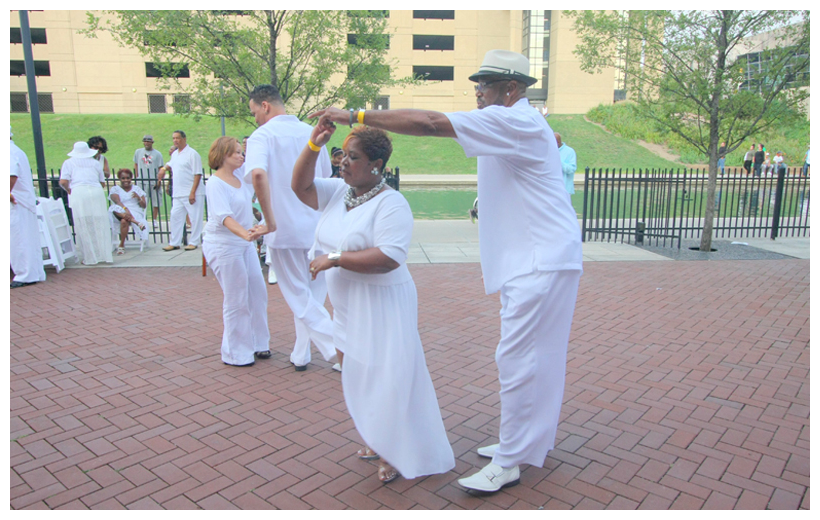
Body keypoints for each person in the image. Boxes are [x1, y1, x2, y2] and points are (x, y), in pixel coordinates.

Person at [309, 49, 583, 493]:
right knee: (537, 358)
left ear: (512, 89)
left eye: (486, 84)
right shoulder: (521, 123)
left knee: (520, 360)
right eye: (478, 83)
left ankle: (511, 460)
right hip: (540, 258)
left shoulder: (514, 120)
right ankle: (525, 444)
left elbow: (431, 123)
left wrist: (355, 115)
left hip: (539, 261)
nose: (478, 91)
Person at [291, 122, 455, 483]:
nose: (343, 162)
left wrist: (334, 258)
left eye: (353, 157)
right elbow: (300, 187)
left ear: (376, 165)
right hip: (348, 304)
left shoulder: (392, 204)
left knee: (386, 375)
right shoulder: (340, 192)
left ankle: (393, 450)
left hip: (382, 302)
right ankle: (375, 435)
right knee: (356, 371)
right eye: (342, 155)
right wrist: (314, 145)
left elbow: (389, 258)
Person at [244, 84, 336, 371]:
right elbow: (324, 178)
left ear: (265, 105)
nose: (255, 118)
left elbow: (258, 174)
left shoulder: (262, 136)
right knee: (311, 298)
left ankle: (343, 350)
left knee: (300, 298)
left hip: (284, 230)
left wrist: (269, 221)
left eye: (254, 112)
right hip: (317, 227)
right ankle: (301, 353)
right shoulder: (310, 132)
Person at [203, 137, 272, 367]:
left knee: (258, 292)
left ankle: (259, 343)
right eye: (237, 152)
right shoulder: (215, 183)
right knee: (236, 298)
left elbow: (259, 169)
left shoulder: (241, 178)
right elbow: (224, 217)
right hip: (224, 244)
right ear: (223, 155)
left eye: (242, 152)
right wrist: (247, 234)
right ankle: (236, 352)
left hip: (244, 243)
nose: (242, 156)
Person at [59, 142, 113, 265]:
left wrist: (68, 189)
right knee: (99, 222)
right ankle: (104, 254)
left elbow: (63, 181)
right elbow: (102, 182)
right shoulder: (95, 163)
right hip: (96, 192)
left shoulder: (68, 163)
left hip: (79, 192)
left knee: (82, 223)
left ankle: (89, 257)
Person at [10, 127, 47, 288]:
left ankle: (25, 274)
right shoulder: (15, 150)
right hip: (21, 201)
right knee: (25, 238)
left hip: (17, 202)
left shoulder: (9, 151)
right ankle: (33, 272)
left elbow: (11, 175)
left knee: (19, 239)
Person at [157, 130, 204, 251]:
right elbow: (170, 164)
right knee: (175, 216)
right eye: (173, 138)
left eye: (177, 138)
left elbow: (198, 174)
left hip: (192, 192)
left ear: (184, 139)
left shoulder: (192, 154)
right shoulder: (175, 154)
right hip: (178, 193)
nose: (175, 140)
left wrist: (192, 192)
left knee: (195, 218)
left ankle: (194, 241)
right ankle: (175, 242)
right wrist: (163, 169)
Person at [108, 168, 149, 255]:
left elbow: (144, 205)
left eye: (128, 178)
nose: (126, 180)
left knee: (124, 221)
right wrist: (126, 209)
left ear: (131, 178)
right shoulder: (115, 189)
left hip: (134, 211)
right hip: (120, 211)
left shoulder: (137, 189)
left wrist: (139, 198)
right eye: (123, 178)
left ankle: (121, 245)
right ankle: (137, 223)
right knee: (114, 208)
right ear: (119, 178)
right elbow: (117, 201)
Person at [133, 134, 164, 220]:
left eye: (148, 142)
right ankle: (141, 218)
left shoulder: (158, 154)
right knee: (140, 200)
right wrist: (136, 177)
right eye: (145, 141)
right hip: (141, 180)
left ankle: (154, 219)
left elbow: (161, 168)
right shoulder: (138, 152)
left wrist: (159, 180)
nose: (146, 143)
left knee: (156, 202)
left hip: (153, 181)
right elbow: (136, 164)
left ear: (152, 142)